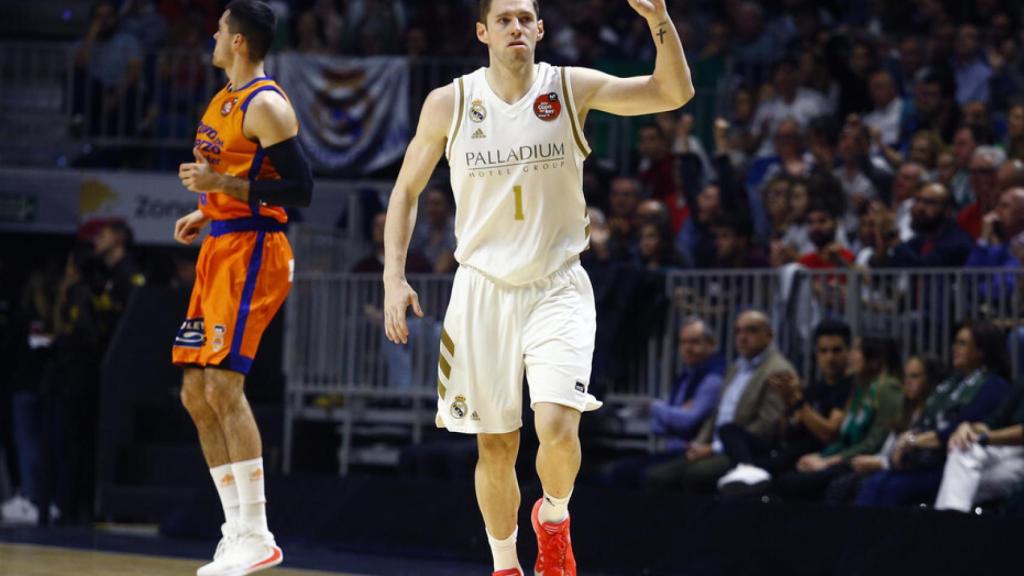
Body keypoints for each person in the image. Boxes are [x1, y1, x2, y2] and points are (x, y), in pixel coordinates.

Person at [381, 1, 693, 575]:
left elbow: (671, 93)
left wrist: (660, 20)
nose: (516, 27)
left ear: (541, 29)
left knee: (555, 425)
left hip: (557, 285)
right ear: (482, 32)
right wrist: (393, 278)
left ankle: (554, 519)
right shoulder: (450, 102)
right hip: (482, 289)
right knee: (496, 446)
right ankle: (505, 565)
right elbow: (404, 192)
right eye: (504, 19)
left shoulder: (569, 87)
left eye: (526, 17)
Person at [170, 2, 314, 574]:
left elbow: (300, 189)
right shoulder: (223, 97)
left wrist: (220, 185)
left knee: (224, 388)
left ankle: (258, 533)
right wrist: (208, 209)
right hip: (222, 243)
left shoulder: (267, 105)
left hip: (256, 251)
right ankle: (236, 531)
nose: (212, 33)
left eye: (220, 28)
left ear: (238, 42)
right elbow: (232, 171)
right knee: (194, 392)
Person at [857, 322, 1011, 508]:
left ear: (981, 351)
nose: (954, 348)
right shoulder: (951, 383)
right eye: (955, 342)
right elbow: (925, 422)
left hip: (950, 462)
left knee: (896, 488)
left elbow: (960, 427)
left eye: (962, 343)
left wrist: (914, 441)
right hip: (923, 459)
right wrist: (908, 439)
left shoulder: (994, 386)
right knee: (873, 484)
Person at [645, 310, 794, 493]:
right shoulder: (736, 368)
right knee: (656, 476)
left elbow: (766, 426)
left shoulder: (777, 370)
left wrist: (714, 448)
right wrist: (699, 444)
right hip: (713, 446)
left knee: (697, 475)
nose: (742, 337)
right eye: (738, 331)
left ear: (769, 335)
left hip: (744, 451)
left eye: (751, 331)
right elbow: (715, 414)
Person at [770, 337, 902, 501]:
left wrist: (829, 461)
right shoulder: (861, 387)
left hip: (862, 461)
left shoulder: (888, 388)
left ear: (875, 358)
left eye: (856, 351)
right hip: (844, 458)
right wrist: (822, 456)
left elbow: (874, 443)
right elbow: (843, 437)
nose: (851, 356)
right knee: (785, 476)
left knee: (792, 483)